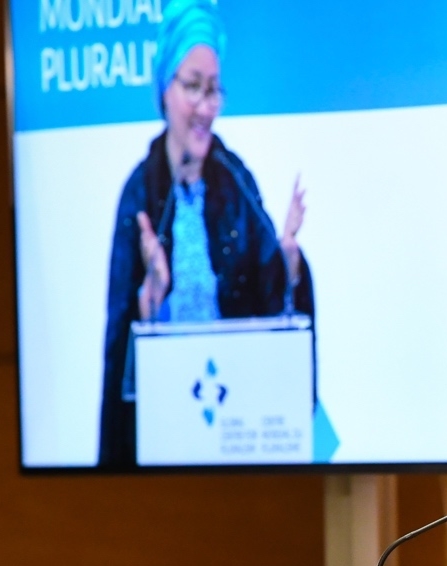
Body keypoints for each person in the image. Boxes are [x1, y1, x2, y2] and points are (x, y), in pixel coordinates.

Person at [98, 0, 313, 467]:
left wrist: (289, 263)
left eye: (213, 91)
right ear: (164, 91)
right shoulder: (139, 196)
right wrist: (150, 299)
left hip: (238, 435)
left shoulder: (235, 181)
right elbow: (119, 351)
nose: (204, 107)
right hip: (164, 437)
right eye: (192, 87)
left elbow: (269, 301)